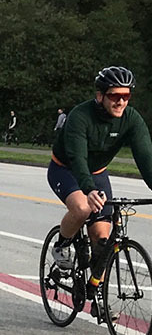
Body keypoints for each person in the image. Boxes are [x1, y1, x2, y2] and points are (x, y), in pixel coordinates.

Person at [48, 66, 152, 313]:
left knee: (103, 239)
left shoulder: (132, 119)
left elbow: (146, 158)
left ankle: (97, 298)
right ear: (100, 95)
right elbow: (77, 157)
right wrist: (88, 189)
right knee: (83, 208)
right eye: (115, 95)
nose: (120, 102)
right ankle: (62, 245)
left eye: (126, 96)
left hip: (97, 174)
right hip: (67, 170)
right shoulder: (80, 116)